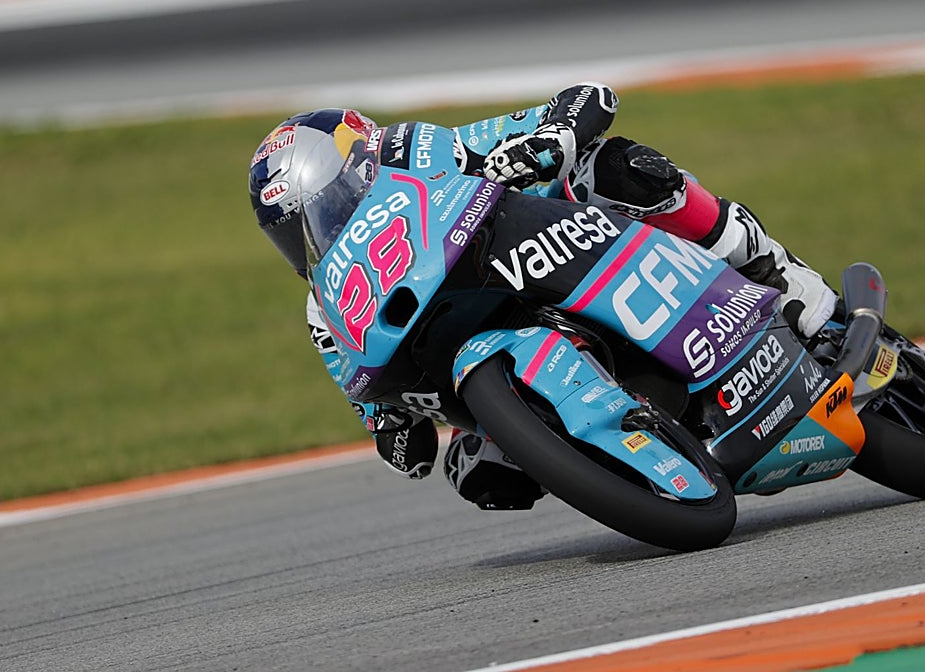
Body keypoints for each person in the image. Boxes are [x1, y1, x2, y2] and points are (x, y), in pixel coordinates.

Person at [249, 83, 835, 510]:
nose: (311, 240)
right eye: (290, 233)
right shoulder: (324, 311)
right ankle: (627, 452)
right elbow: (386, 421)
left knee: (618, 166)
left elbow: (590, 98)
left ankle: (770, 271)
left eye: (320, 211)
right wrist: (395, 434)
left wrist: (547, 142)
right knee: (480, 476)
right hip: (485, 353)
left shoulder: (426, 155)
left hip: (558, 247)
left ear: (362, 166)